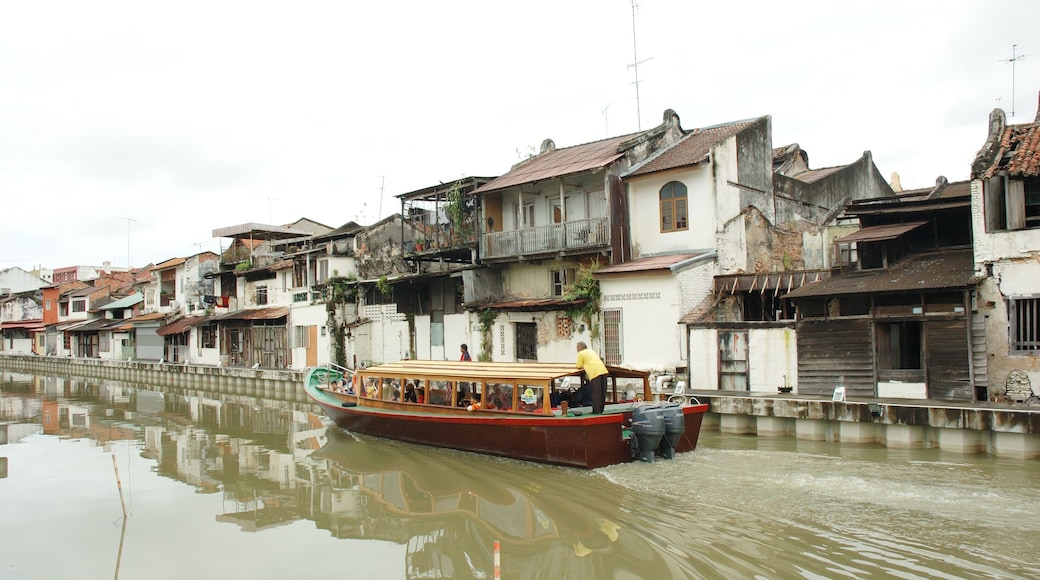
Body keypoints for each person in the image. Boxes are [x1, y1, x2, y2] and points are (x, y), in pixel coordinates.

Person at [575, 341, 608, 414]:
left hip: (594, 372)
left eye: (577, 347)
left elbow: (579, 366)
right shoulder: (591, 351)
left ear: (580, 347)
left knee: (596, 393)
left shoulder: (581, 353)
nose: (576, 349)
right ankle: (601, 409)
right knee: (602, 391)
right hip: (603, 370)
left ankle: (596, 411)